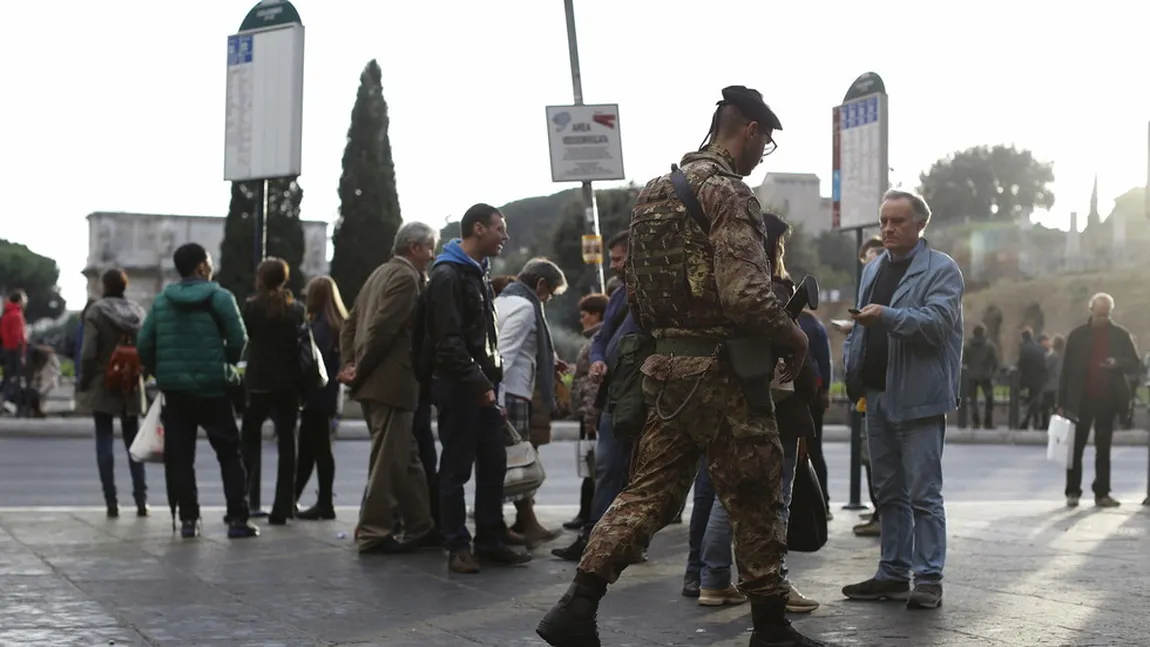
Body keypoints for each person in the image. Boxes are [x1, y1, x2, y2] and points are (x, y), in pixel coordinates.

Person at [536, 85, 821, 647]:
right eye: (762, 147)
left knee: (647, 494)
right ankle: (770, 626)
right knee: (756, 489)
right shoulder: (730, 194)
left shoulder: (653, 194)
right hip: (725, 375)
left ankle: (576, 606)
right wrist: (794, 337)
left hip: (669, 373)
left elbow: (636, 297)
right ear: (751, 133)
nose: (758, 159)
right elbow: (744, 294)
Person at [841, 190, 964, 610]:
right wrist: (852, 370)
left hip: (920, 400)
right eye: (884, 221)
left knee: (923, 494)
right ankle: (893, 573)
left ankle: (928, 578)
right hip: (877, 396)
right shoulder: (874, 268)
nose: (888, 229)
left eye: (897, 221)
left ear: (919, 225)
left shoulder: (941, 269)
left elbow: (937, 325)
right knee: (888, 491)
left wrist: (887, 317)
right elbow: (862, 325)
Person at [694, 213, 822, 614]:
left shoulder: (721, 286)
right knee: (777, 498)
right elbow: (794, 354)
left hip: (729, 402)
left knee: (725, 496)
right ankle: (775, 583)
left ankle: (712, 580)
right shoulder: (776, 290)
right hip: (776, 408)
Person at [422, 203, 531, 573]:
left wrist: (489, 384)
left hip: (482, 387)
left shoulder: (476, 272)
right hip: (459, 389)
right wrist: (479, 384)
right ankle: (457, 546)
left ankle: (490, 539)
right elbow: (447, 342)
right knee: (455, 469)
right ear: (479, 229)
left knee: (493, 463)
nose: (506, 236)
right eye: (500, 228)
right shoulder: (448, 275)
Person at [137, 243, 258, 539]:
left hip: (176, 392)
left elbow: (144, 344)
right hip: (214, 388)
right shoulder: (220, 297)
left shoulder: (163, 301)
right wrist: (224, 364)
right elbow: (240, 338)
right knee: (229, 453)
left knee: (180, 457)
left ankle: (189, 520)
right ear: (202, 266)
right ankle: (237, 519)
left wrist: (163, 370)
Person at [340, 221, 440, 552]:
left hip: (377, 382)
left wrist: (349, 364)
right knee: (388, 461)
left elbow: (350, 323)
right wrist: (360, 368)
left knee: (406, 458)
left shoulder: (378, 274)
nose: (432, 254)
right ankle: (373, 532)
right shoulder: (405, 277)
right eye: (429, 248)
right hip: (391, 383)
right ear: (414, 248)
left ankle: (420, 524)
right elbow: (383, 328)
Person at [550, 231, 646, 565]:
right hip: (615, 396)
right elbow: (603, 337)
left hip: (642, 398)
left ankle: (626, 541)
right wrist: (599, 359)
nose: (615, 265)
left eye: (620, 259)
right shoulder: (620, 295)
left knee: (634, 475)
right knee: (606, 470)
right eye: (613, 259)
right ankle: (596, 539)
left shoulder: (658, 296)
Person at [494, 257, 568, 547]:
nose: (548, 300)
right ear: (539, 285)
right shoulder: (526, 308)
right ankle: (526, 523)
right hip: (512, 394)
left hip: (508, 391)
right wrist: (498, 399)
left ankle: (522, 521)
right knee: (518, 462)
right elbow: (505, 354)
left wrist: (549, 360)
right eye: (550, 293)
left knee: (508, 463)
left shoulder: (504, 301)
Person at [240, 258, 307, 524]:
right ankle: (283, 507)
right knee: (288, 444)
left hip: (258, 382)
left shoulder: (251, 307)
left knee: (248, 441)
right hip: (288, 383)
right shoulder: (296, 309)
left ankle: (241, 501)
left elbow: (245, 338)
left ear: (261, 278)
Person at [78, 269, 149, 519]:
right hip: (131, 384)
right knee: (135, 444)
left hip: (103, 382)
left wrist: (85, 380)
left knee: (104, 441)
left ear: (104, 286)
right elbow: (148, 349)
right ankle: (141, 501)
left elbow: (88, 353)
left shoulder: (97, 312)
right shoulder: (139, 312)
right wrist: (142, 375)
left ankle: (111, 502)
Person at [1060, 293, 1140, 508]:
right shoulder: (1077, 336)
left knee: (1103, 448)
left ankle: (1102, 492)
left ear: (1110, 312)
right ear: (1091, 309)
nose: (1102, 315)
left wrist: (1118, 362)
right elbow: (1066, 370)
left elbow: (1135, 363)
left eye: (1105, 312)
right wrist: (1062, 402)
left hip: (1108, 399)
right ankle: (1073, 491)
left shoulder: (1120, 335)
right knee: (1075, 448)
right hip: (1081, 398)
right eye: (1099, 311)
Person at [295, 275, 348, 521]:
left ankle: (323, 503)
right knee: (311, 449)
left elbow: (311, 362)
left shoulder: (320, 327)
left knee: (317, 450)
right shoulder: (338, 324)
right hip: (327, 395)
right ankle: (295, 498)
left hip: (316, 395)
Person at [564, 293, 609, 531]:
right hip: (588, 414)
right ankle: (586, 513)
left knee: (592, 468)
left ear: (595, 316)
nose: (582, 321)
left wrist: (590, 418)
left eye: (584, 316)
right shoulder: (594, 341)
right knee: (590, 467)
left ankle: (589, 516)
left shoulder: (596, 343)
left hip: (591, 416)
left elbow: (593, 386)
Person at [962, 324, 999, 429]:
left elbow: (964, 361)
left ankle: (975, 422)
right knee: (989, 399)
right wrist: (993, 373)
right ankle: (988, 422)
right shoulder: (989, 346)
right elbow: (995, 361)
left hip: (972, 376)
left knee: (973, 400)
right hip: (986, 375)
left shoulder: (968, 346)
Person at [1, 289, 28, 412]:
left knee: (7, 376)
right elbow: (18, 337)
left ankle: (5, 400)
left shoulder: (6, 314)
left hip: (6, 349)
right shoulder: (17, 314)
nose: (25, 301)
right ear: (19, 300)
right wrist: (22, 354)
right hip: (14, 350)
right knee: (14, 378)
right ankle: (9, 401)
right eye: (24, 299)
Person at [1040, 335, 1064, 429]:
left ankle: (1045, 424)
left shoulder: (1051, 356)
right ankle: (1057, 425)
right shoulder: (1064, 356)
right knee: (1057, 407)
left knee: (1046, 406)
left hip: (1050, 385)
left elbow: (1045, 368)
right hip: (1060, 385)